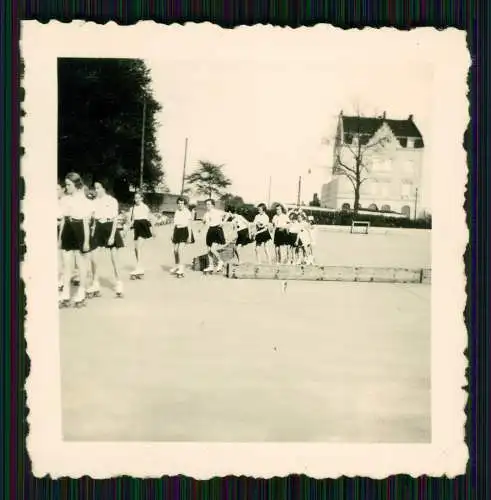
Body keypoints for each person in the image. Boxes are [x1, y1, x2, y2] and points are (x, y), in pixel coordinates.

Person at [58, 172, 93, 307]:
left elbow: (85, 222)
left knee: (81, 264)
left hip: (80, 230)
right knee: (67, 265)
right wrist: (60, 238)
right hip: (68, 229)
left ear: (76, 184)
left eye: (69, 185)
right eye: (66, 185)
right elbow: (63, 220)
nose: (66, 188)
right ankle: (65, 293)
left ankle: (81, 292)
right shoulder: (66, 199)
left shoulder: (83, 200)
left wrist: (86, 241)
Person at [86, 180, 125, 297]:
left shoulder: (112, 201)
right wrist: (92, 231)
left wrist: (112, 235)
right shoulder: (94, 201)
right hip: (98, 228)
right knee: (93, 258)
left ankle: (119, 283)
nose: (96, 190)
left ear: (104, 188)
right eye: (95, 188)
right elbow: (92, 218)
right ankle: (95, 283)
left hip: (109, 227)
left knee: (114, 259)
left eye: (98, 188)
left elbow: (114, 219)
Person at [130, 191, 154, 278]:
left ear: (142, 198)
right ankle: (140, 267)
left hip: (143, 227)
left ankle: (138, 268)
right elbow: (132, 220)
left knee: (138, 247)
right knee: (136, 249)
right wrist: (126, 229)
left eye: (138, 198)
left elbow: (150, 218)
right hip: (137, 228)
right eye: (135, 198)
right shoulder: (133, 208)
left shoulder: (145, 207)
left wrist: (154, 230)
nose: (136, 199)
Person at [170, 197, 194, 277]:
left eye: (182, 203)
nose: (180, 205)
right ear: (177, 204)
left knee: (180, 250)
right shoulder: (176, 211)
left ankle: (181, 268)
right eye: (179, 203)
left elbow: (189, 224)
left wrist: (190, 236)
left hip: (184, 231)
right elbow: (174, 223)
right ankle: (177, 265)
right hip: (177, 231)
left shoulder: (187, 212)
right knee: (175, 250)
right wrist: (172, 233)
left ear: (184, 204)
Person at [203, 199, 227, 273]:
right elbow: (205, 222)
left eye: (209, 204)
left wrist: (223, 222)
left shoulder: (218, 212)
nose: (207, 206)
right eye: (206, 204)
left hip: (217, 230)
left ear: (213, 205)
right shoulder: (206, 214)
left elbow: (228, 214)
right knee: (208, 250)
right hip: (210, 231)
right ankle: (211, 266)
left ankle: (220, 261)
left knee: (213, 249)